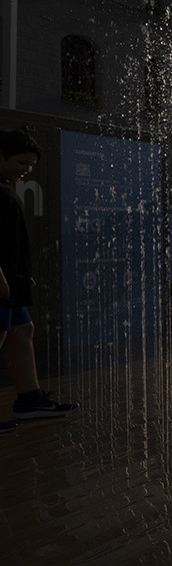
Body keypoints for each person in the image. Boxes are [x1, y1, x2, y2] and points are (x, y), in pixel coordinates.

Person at [0, 129, 77, 431]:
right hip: (1, 282)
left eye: (30, 166)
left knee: (22, 330)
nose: (26, 170)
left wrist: (21, 274)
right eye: (21, 163)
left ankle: (29, 399)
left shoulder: (5, 187)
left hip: (11, 281)